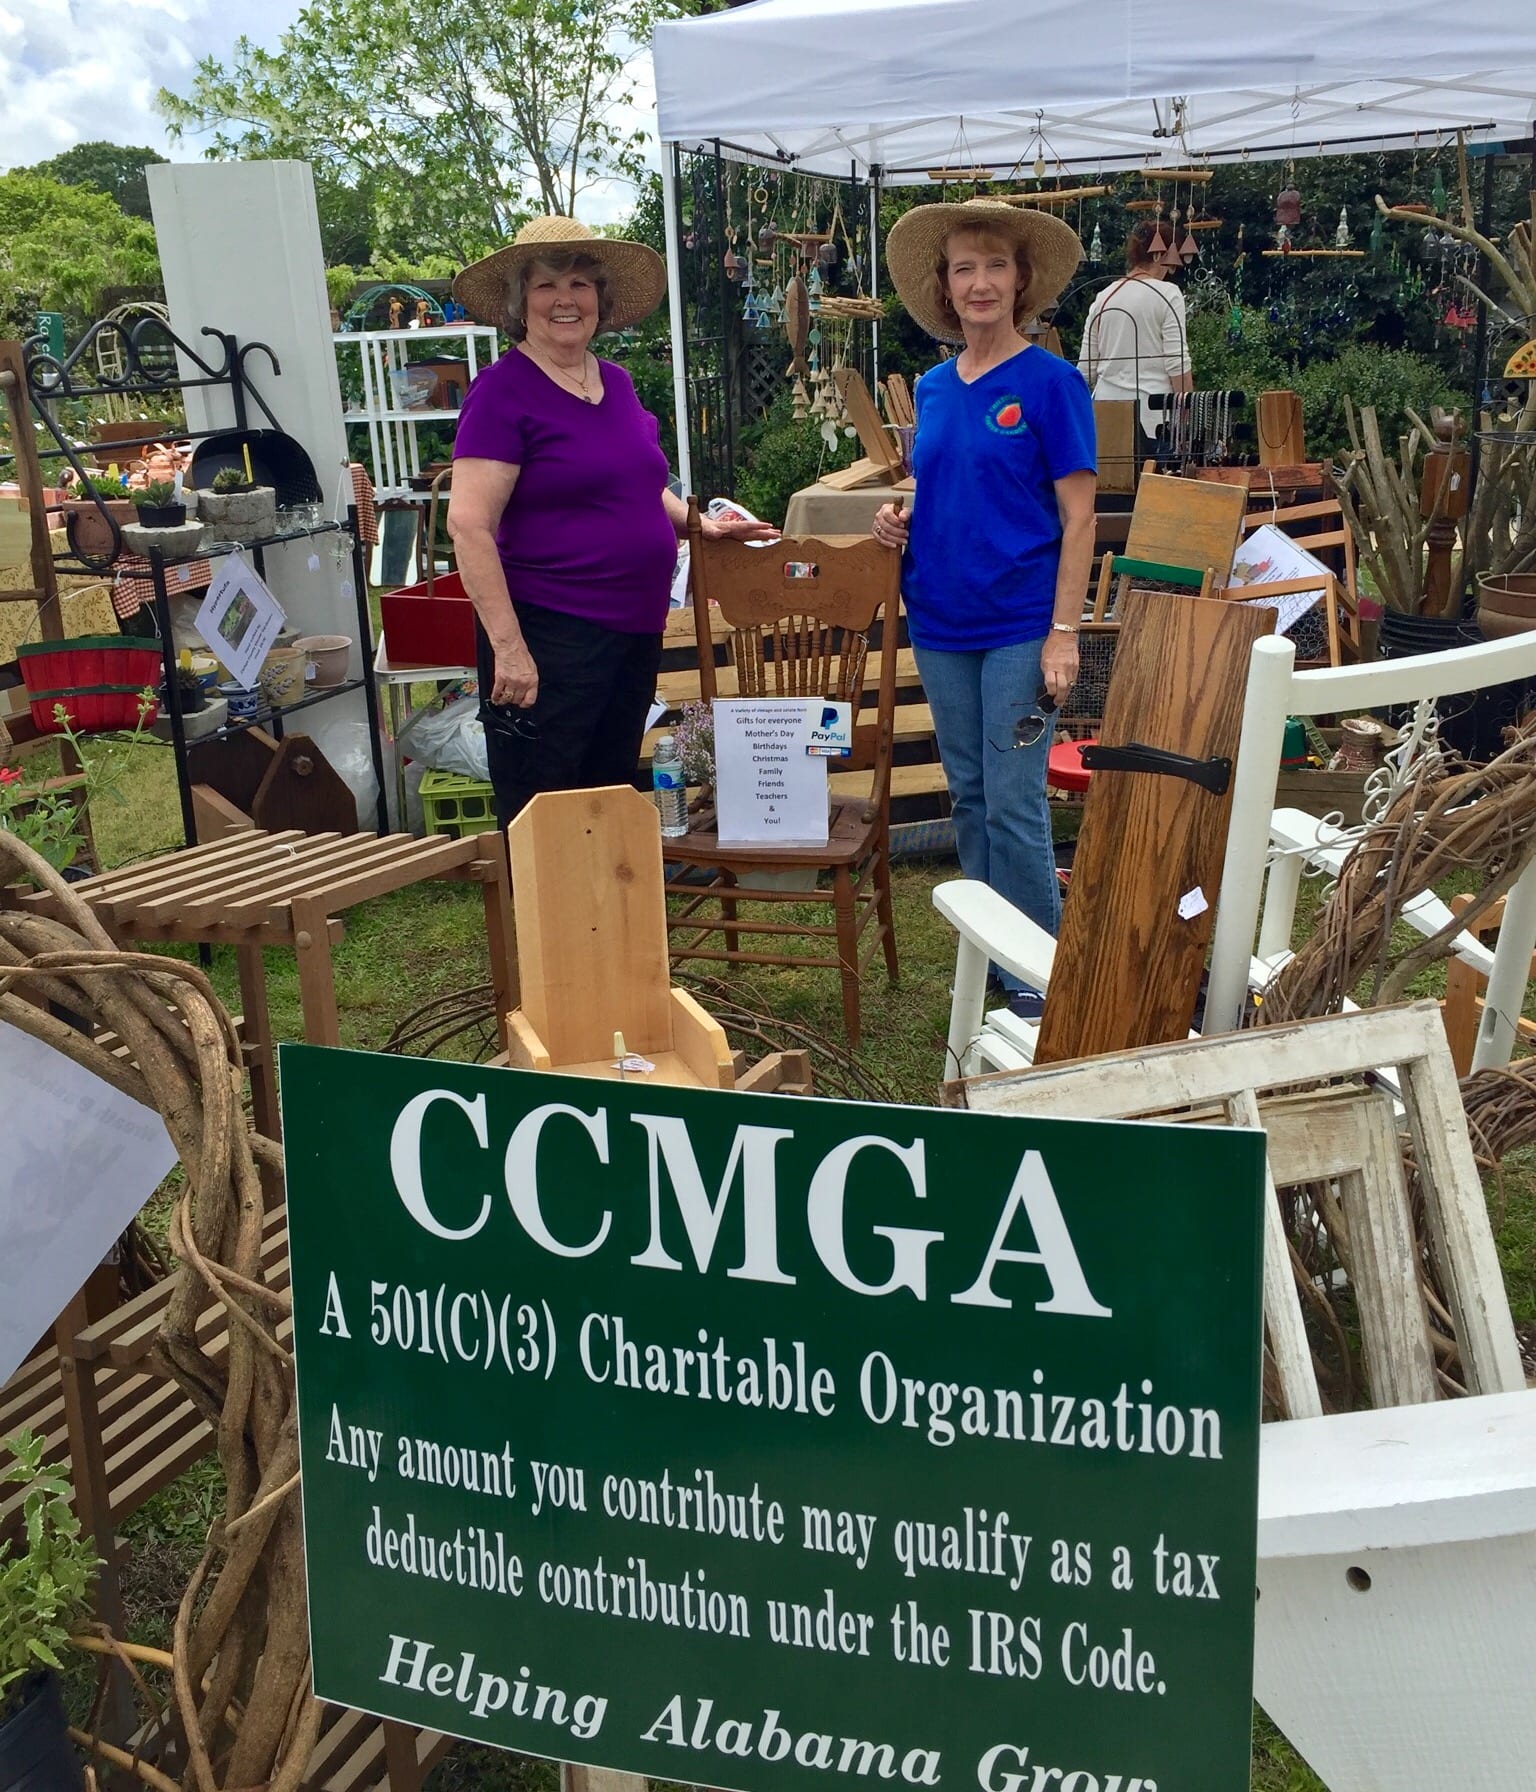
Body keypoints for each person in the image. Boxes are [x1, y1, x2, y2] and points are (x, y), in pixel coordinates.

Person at [447, 216, 774, 830]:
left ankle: (606, 899)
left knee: (609, 792)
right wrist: (510, 651)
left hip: (631, 629)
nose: (564, 300)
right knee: (548, 809)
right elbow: (468, 526)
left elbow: (639, 485)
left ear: (600, 298)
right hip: (549, 635)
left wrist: (699, 526)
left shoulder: (615, 383)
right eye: (546, 286)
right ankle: (552, 902)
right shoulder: (501, 392)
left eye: (579, 283)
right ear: (521, 303)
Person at [873, 198, 1095, 1021]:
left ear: (1021, 280)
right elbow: (944, 485)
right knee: (968, 794)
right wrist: (898, 517)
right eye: (964, 268)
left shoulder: (1052, 383)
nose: (980, 282)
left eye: (995, 265)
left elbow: (1080, 517)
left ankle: (1039, 974)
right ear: (945, 285)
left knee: (1014, 800)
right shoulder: (934, 389)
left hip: (1019, 625)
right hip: (939, 619)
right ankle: (994, 951)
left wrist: (1063, 634)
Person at [1077, 220, 1193, 436]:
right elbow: (1177, 364)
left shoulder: (1103, 298)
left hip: (1105, 416)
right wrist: (1188, 418)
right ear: (1160, 255)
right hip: (1153, 417)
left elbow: (1085, 371)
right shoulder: (1168, 294)